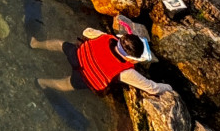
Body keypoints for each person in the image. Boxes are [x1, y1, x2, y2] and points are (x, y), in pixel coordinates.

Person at [29, 28, 174, 96]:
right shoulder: (126, 72)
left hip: (78, 56)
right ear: (131, 59)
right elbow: (151, 87)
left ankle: (36, 44)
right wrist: (169, 87)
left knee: (62, 45)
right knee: (68, 83)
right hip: (87, 78)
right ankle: (43, 82)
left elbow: (86, 32)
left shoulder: (106, 38)